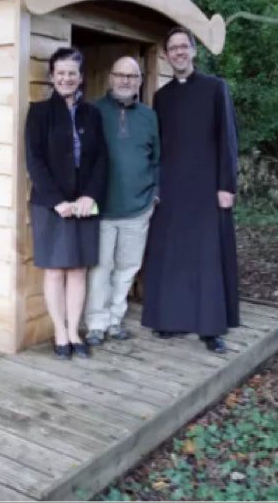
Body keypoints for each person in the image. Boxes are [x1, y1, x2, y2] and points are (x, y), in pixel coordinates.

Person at [141, 25, 240, 354]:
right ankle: (173, 318)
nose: (179, 52)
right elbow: (158, 147)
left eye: (185, 46)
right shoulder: (162, 97)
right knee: (174, 255)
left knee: (206, 257)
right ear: (166, 56)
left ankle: (210, 329)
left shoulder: (215, 88)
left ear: (194, 51)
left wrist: (227, 185)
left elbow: (228, 139)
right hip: (172, 188)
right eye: (173, 48)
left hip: (207, 186)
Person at [25, 47, 108, 359]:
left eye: (72, 72)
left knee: (78, 270)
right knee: (55, 270)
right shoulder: (38, 113)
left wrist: (90, 196)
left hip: (85, 203)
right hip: (51, 204)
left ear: (81, 77)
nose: (66, 78)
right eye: (60, 73)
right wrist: (57, 200)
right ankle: (59, 332)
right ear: (52, 77)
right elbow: (35, 161)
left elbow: (101, 159)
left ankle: (75, 331)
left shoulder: (93, 113)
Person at [84, 56, 160, 346]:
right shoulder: (93, 111)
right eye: (120, 75)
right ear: (110, 78)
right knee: (100, 268)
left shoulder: (149, 116)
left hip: (138, 208)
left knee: (127, 267)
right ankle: (96, 323)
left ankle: (115, 320)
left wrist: (154, 194)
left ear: (140, 81)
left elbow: (157, 159)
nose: (126, 81)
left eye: (132, 76)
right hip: (102, 208)